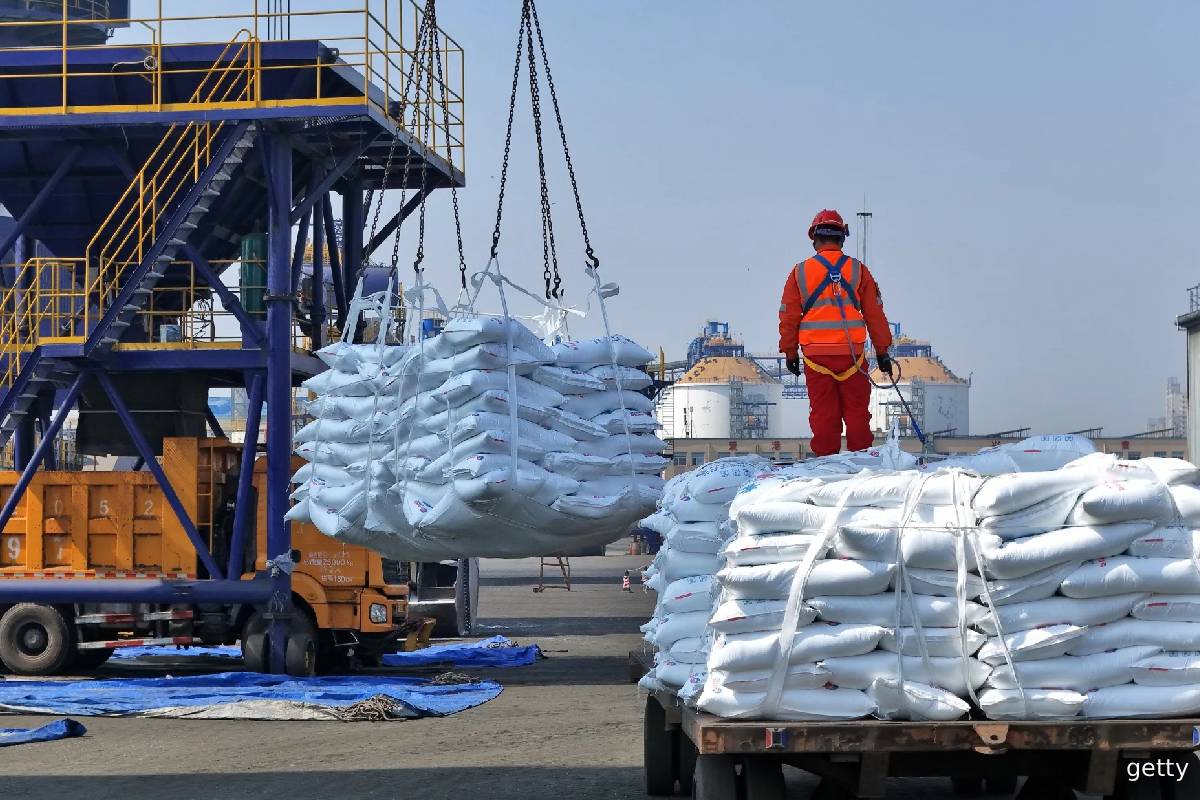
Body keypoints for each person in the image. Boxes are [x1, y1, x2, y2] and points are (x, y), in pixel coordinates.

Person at [778, 209, 893, 456]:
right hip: (852, 356)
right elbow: (875, 314)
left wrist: (789, 353)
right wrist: (883, 352)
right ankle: (861, 462)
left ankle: (826, 465)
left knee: (824, 413)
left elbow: (788, 317)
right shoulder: (858, 270)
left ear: (814, 238)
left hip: (815, 356)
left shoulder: (799, 273)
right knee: (857, 412)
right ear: (842, 238)